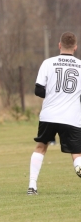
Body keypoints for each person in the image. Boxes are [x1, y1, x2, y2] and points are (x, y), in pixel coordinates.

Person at [28, 31, 81, 195]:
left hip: (49, 115)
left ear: (59, 45)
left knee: (41, 147)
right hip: (71, 117)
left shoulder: (48, 63)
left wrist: (52, 94)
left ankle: (32, 186)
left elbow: (38, 90)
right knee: (77, 153)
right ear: (76, 47)